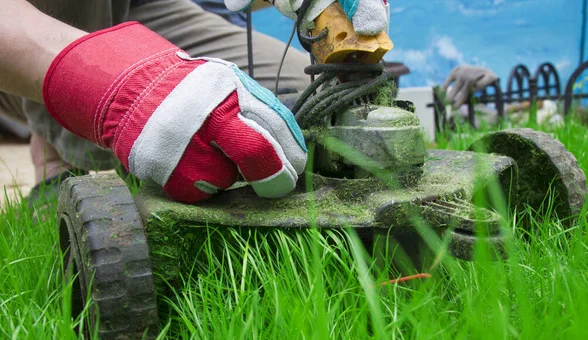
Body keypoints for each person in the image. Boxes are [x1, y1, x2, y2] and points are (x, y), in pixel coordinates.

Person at [0, 0, 389, 203]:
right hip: (22, 24)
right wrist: (120, 88)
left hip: (138, 6)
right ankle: (57, 161)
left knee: (290, 99)